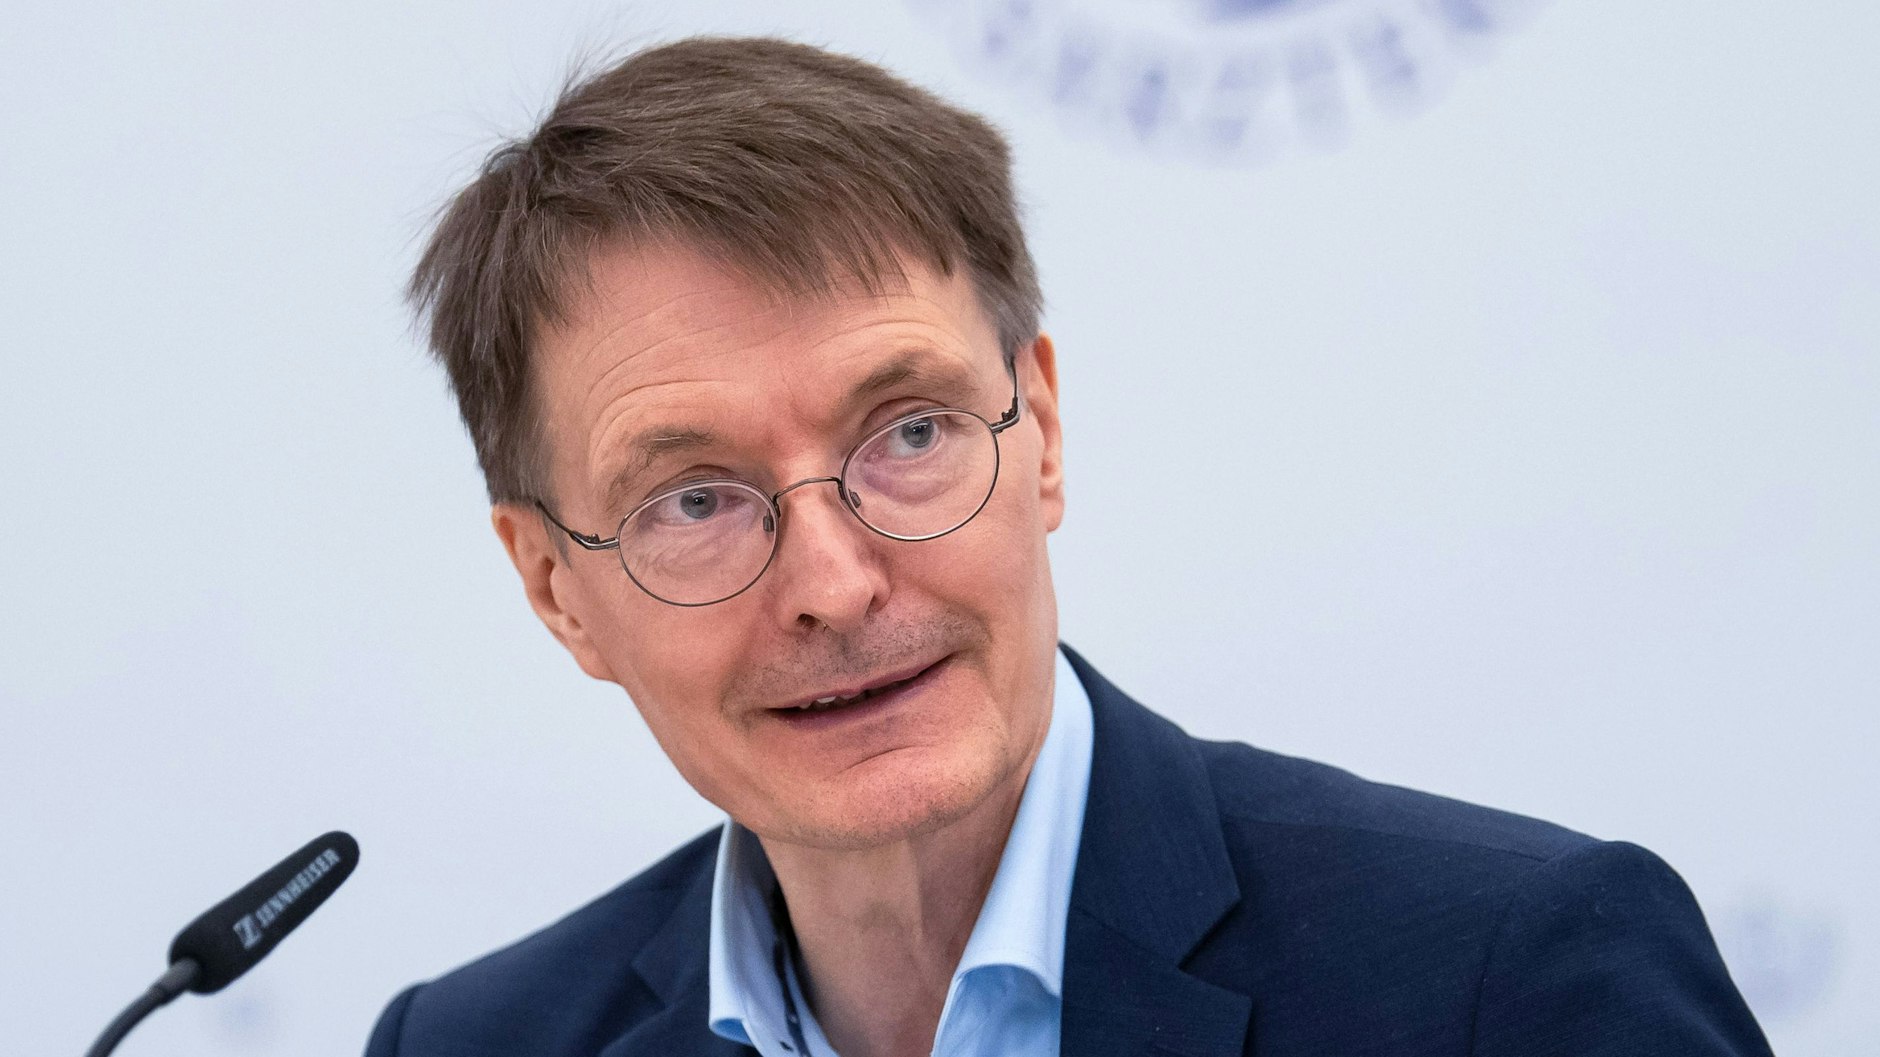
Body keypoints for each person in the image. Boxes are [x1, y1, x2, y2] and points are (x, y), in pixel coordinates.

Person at [365, 36, 1772, 1057]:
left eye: (910, 433)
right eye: (694, 500)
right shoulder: (473, 1044)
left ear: (1038, 430)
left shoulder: (1512, 979)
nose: (835, 586)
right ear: (555, 588)